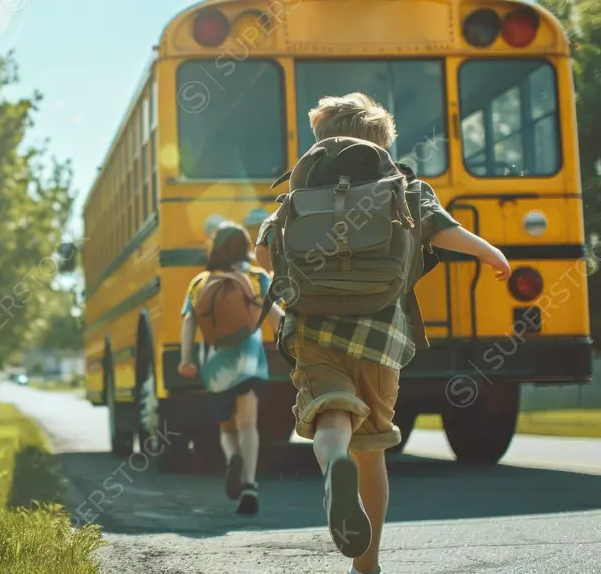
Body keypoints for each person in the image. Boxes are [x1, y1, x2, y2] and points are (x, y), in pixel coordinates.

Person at [255, 93, 512, 574]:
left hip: (313, 331)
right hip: (380, 337)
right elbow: (443, 231)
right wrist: (489, 253)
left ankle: (334, 465)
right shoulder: (407, 187)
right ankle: (366, 565)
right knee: (371, 451)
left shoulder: (298, 192)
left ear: (322, 140)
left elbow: (264, 254)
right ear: (384, 144)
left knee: (331, 418)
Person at [178, 222, 284, 515]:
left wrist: (186, 359)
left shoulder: (201, 281)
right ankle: (249, 483)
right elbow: (276, 317)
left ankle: (232, 456)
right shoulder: (256, 276)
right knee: (248, 425)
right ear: (245, 248)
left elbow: (188, 321)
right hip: (250, 362)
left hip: (215, 367)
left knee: (227, 428)